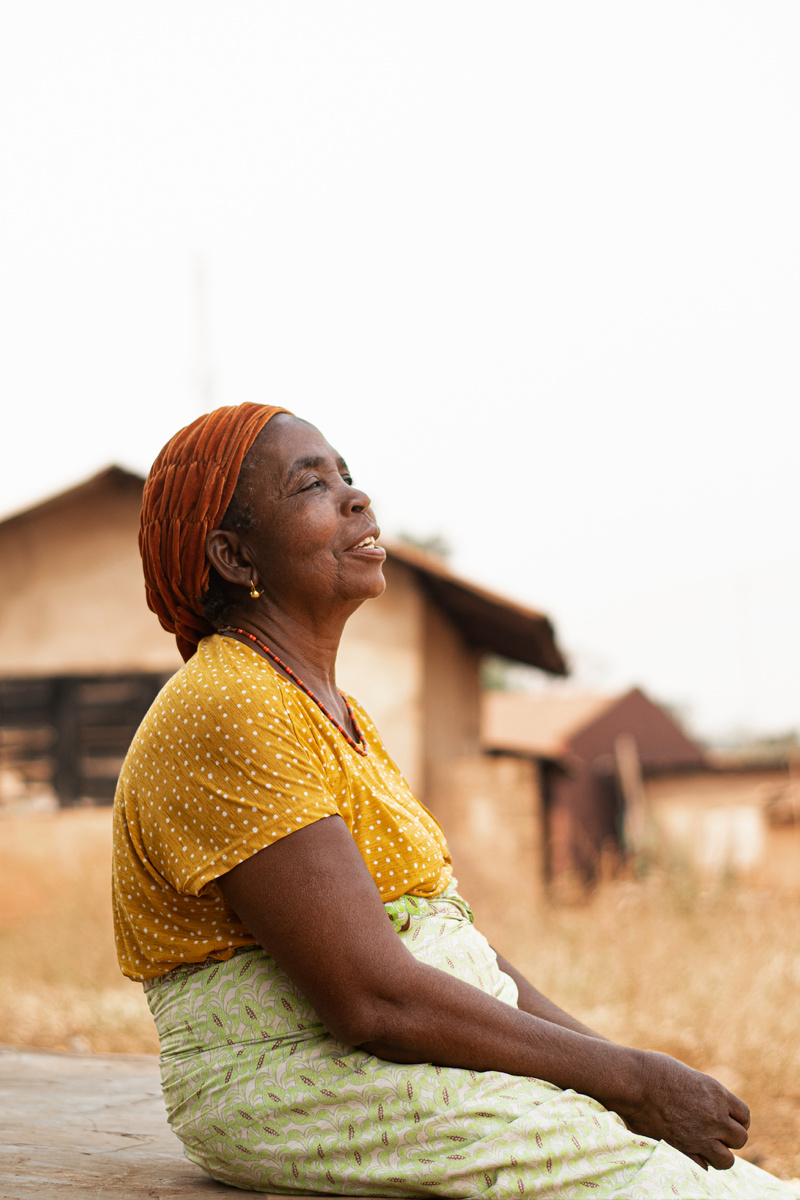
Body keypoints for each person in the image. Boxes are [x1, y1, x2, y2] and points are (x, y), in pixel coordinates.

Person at [113, 402, 795, 1199]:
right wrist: (634, 1079)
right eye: (312, 486)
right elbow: (372, 997)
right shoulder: (230, 702)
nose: (356, 499)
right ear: (234, 555)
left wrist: (619, 1080)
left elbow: (452, 943)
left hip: (396, 1059)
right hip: (301, 1082)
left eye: (350, 478)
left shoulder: (325, 706)